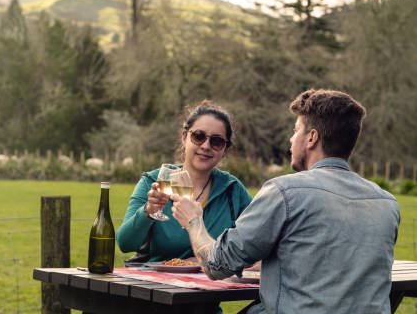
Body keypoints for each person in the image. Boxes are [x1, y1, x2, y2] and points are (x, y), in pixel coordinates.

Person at [171, 89, 400, 314]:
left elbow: (217, 264)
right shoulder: (387, 204)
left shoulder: (284, 192)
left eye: (296, 130)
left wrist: (193, 220)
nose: (291, 140)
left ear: (311, 138)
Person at [116, 100, 252, 264]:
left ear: (225, 150)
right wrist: (148, 211)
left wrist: (199, 261)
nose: (206, 146)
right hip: (158, 284)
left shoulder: (233, 190)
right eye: (198, 136)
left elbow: (259, 245)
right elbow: (125, 244)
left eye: (217, 141)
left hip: (213, 285)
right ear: (184, 138)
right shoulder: (153, 182)